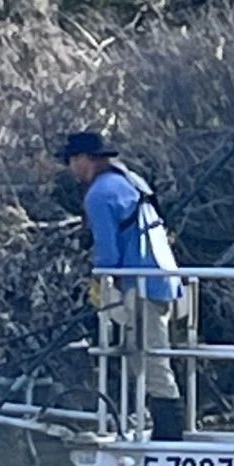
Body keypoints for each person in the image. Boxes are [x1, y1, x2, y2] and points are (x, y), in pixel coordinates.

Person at [60, 130, 185, 441]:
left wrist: (100, 282)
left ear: (85, 159)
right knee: (140, 353)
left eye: (72, 161)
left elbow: (108, 251)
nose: (71, 168)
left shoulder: (98, 195)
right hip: (163, 277)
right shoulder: (130, 180)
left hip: (141, 282)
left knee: (152, 357)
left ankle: (169, 436)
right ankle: (148, 422)